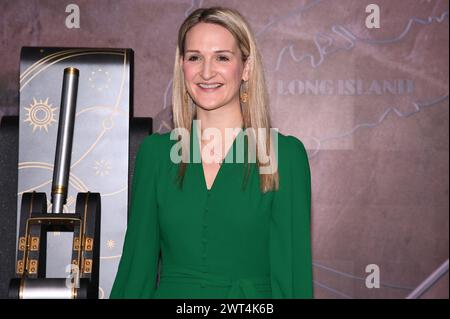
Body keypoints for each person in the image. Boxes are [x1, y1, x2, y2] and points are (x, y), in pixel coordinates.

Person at [110, 7, 313, 299]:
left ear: (246, 68)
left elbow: (293, 280)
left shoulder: (284, 156)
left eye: (222, 57)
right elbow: (136, 271)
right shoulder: (156, 155)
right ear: (182, 65)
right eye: (195, 57)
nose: (206, 72)